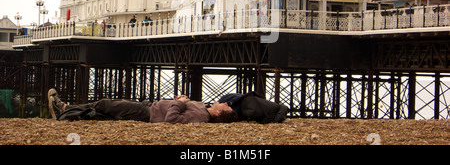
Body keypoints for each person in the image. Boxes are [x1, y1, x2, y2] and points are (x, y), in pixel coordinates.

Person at [48, 89, 238, 124]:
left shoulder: (202, 118)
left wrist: (179, 103)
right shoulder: (202, 108)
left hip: (147, 113)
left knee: (106, 104)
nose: (225, 102)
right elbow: (178, 106)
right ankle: (69, 112)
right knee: (107, 110)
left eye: (226, 106)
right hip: (150, 105)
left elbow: (172, 119)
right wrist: (181, 99)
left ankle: (64, 108)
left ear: (219, 113)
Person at [218, 91, 288, 124]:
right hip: (250, 107)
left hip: (248, 107)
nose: (225, 104)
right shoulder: (224, 101)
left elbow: (239, 97)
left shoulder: (223, 100)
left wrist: (231, 103)